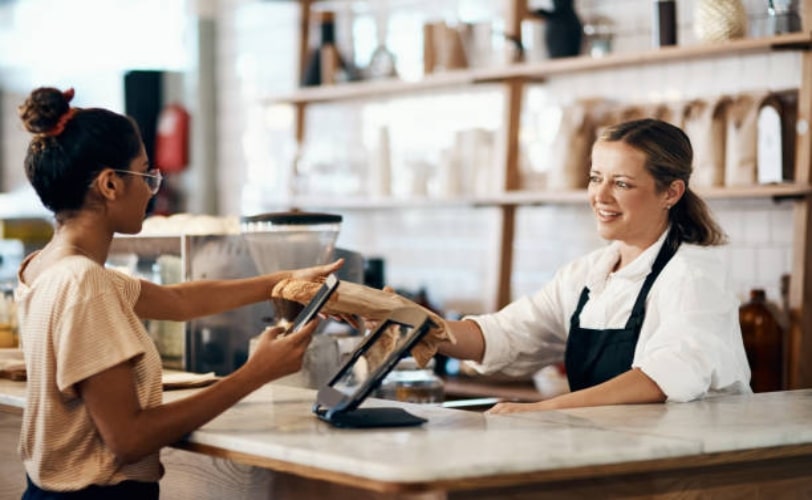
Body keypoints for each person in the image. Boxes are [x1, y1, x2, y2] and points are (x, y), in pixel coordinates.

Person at [14, 86, 343, 498]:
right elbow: (129, 437)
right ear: (110, 185)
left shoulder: (44, 267)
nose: (152, 189)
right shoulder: (84, 282)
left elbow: (180, 301)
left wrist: (283, 279)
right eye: (146, 174)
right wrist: (255, 373)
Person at [437, 118, 751, 414]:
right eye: (595, 178)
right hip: (612, 449)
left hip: (691, 457)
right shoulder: (588, 275)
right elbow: (506, 334)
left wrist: (544, 411)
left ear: (671, 192)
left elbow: (666, 376)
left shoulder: (693, 273)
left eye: (622, 184)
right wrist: (420, 327)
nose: (600, 195)